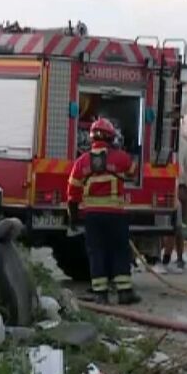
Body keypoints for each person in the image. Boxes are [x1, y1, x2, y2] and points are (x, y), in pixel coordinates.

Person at [67, 118, 141, 305]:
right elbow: (133, 171)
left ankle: (100, 294)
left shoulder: (81, 162)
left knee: (97, 251)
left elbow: (72, 193)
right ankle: (124, 292)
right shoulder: (121, 157)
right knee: (119, 251)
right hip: (117, 215)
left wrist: (73, 216)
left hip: (93, 217)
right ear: (111, 138)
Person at [160, 134, 187, 273]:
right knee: (165, 224)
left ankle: (175, 256)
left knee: (177, 225)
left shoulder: (183, 144)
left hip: (178, 187)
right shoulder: (160, 142)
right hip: (162, 186)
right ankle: (163, 255)